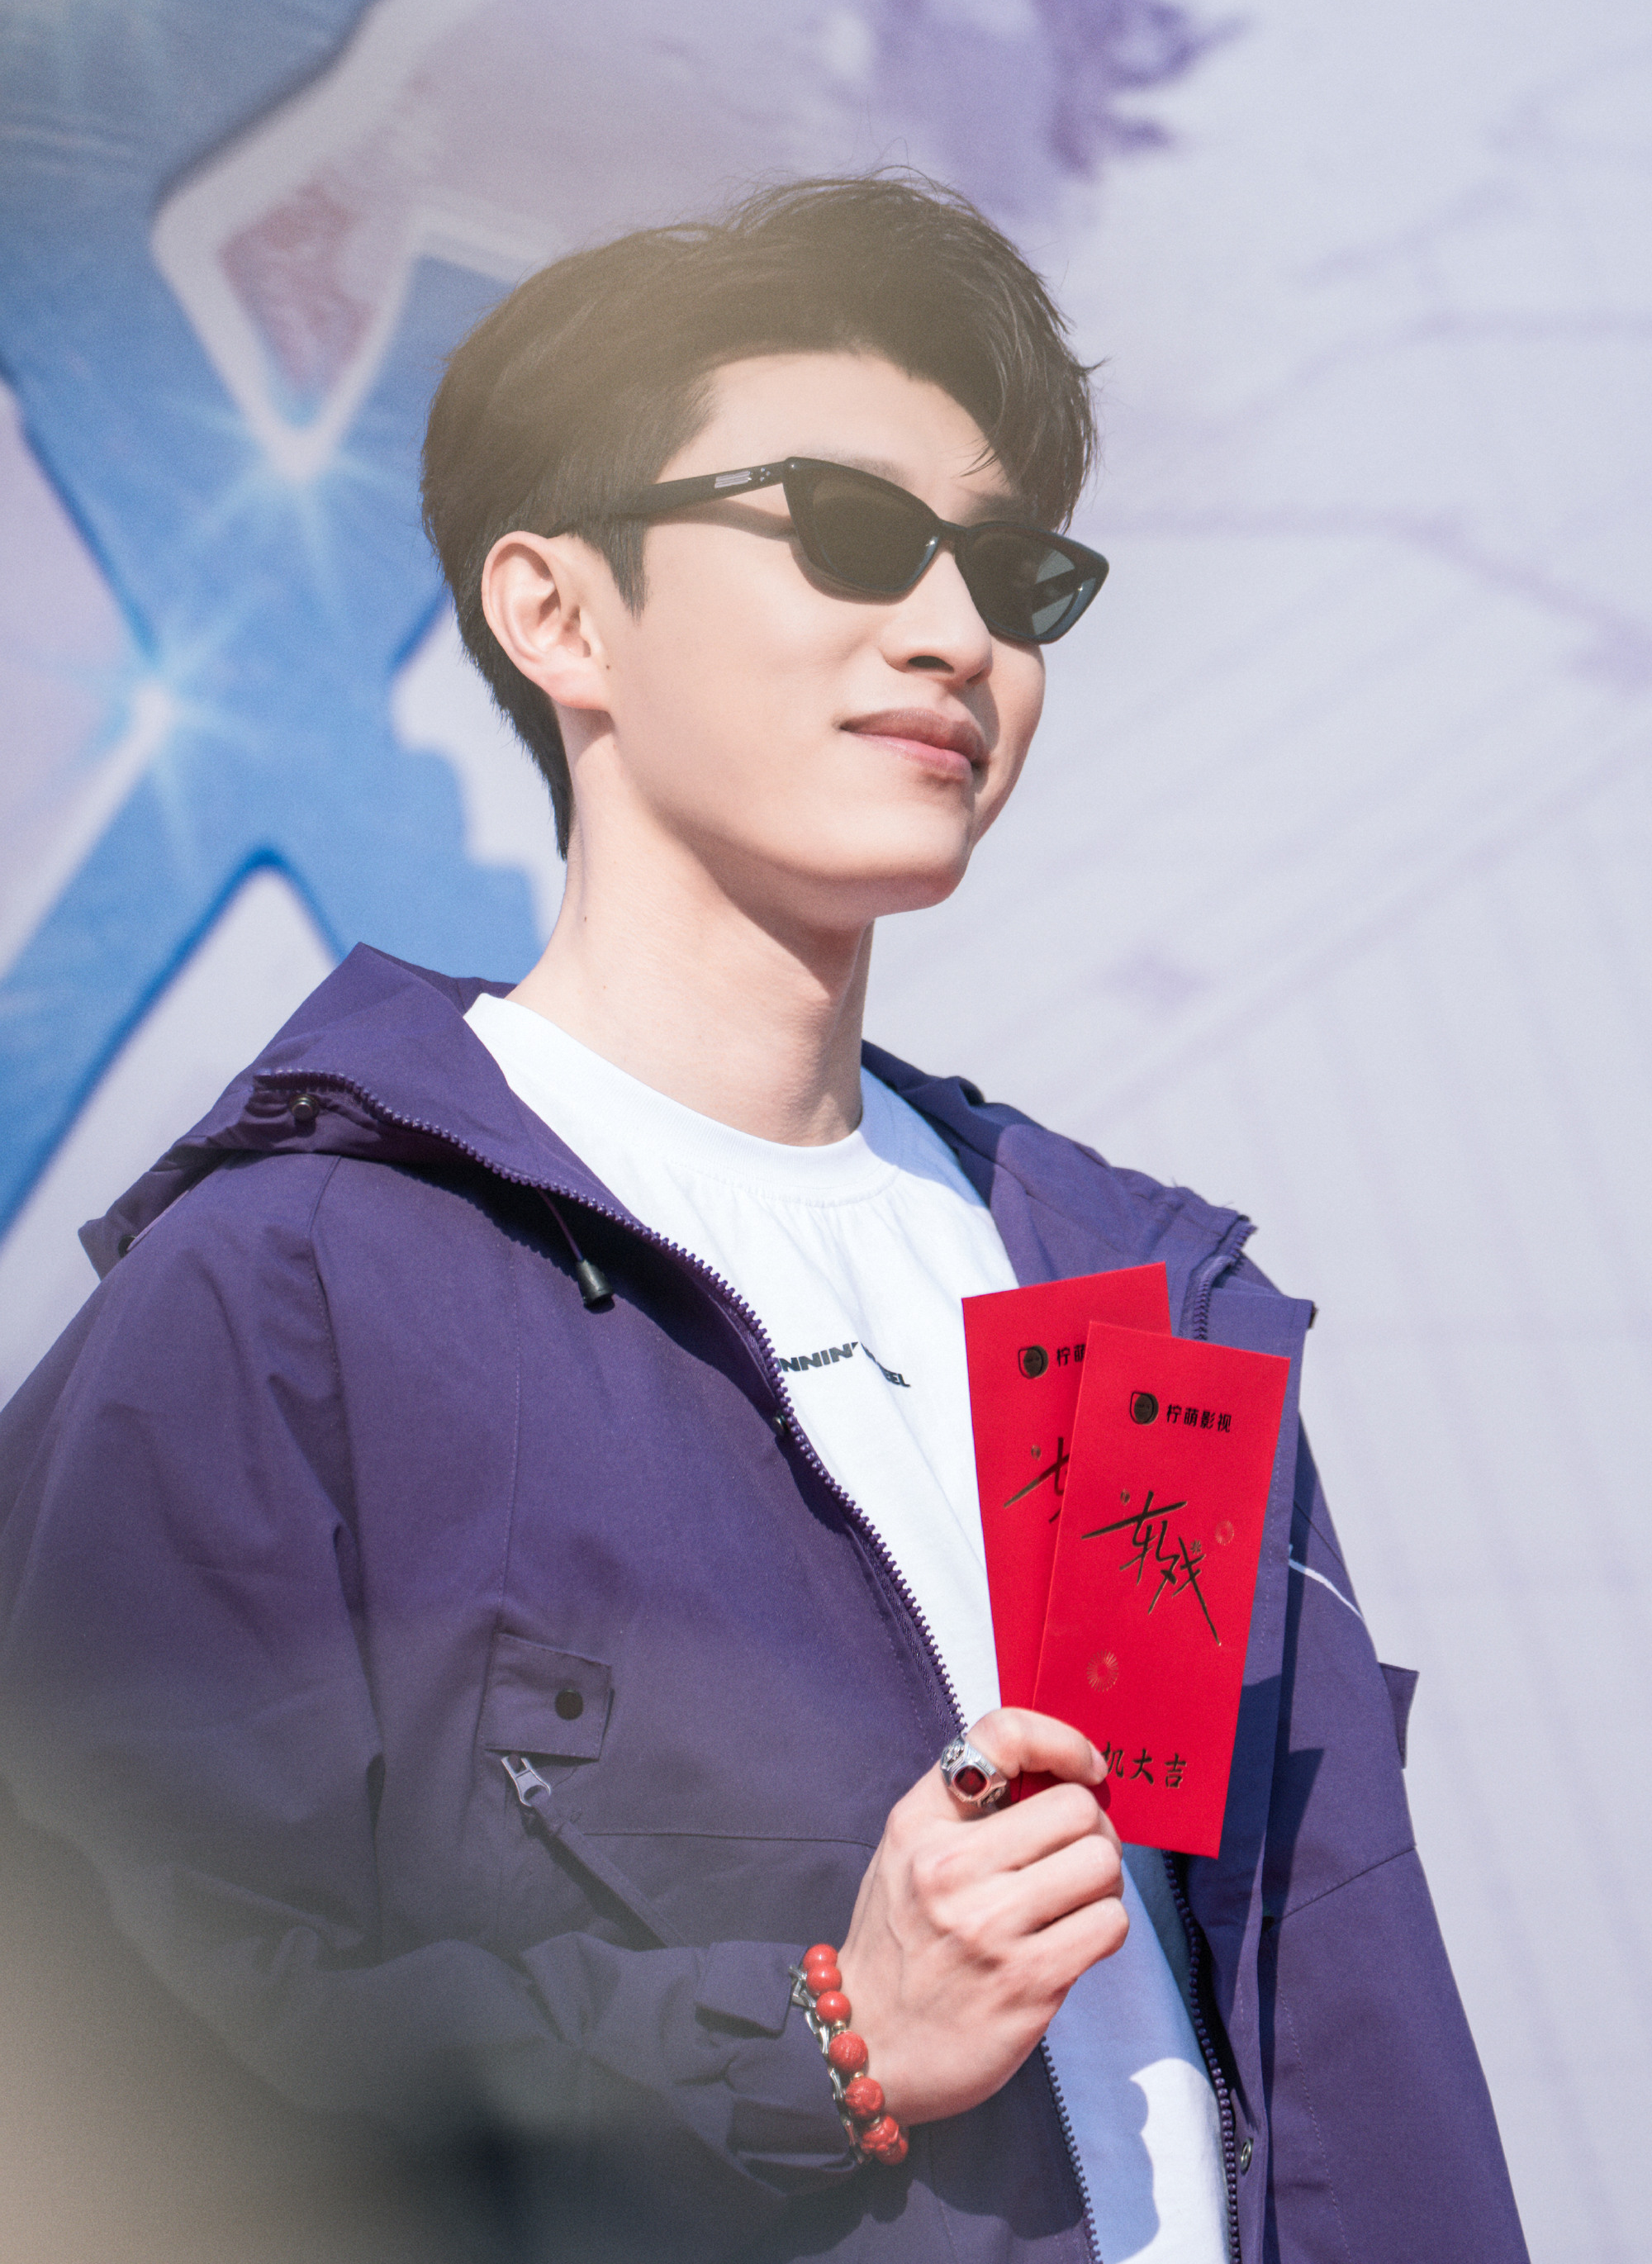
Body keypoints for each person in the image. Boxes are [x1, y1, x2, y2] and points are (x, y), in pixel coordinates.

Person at [0, 176, 1526, 2263]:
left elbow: (1332, 2033)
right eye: (848, 530)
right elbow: (120, 2069)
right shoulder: (293, 1292)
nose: (955, 634)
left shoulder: (1129, 1305)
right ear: (558, 613)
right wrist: (821, 2040)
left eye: (1011, 573)